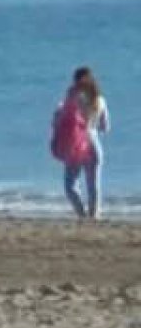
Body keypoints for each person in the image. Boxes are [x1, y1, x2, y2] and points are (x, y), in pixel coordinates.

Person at [53, 67, 110, 220]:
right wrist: (92, 123)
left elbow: (63, 117)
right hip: (94, 142)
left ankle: (82, 213)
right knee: (93, 185)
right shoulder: (100, 100)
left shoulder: (73, 97)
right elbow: (105, 127)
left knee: (70, 185)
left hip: (77, 144)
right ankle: (94, 215)